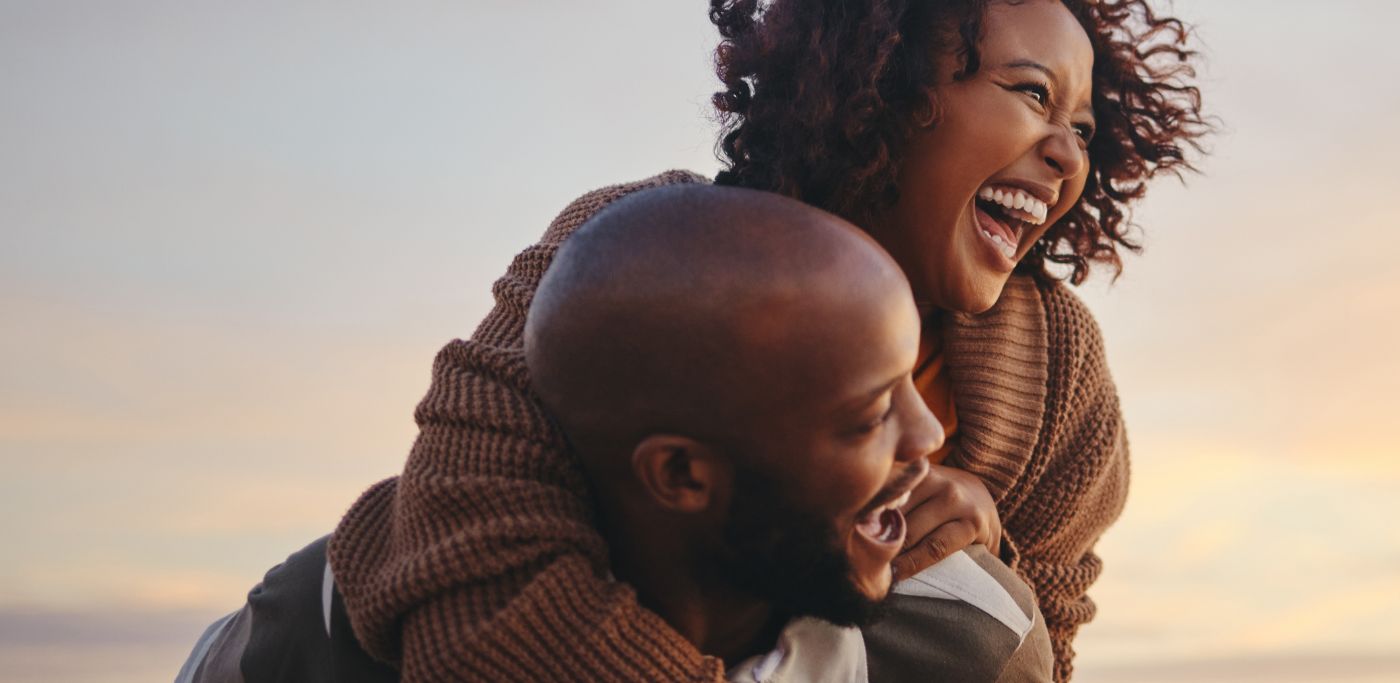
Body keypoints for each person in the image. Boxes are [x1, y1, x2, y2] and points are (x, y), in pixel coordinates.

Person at [327, 0, 1208, 681]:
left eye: (1084, 129)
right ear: (889, 85)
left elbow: (1040, 649)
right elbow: (473, 559)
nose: (1068, 156)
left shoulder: (1060, 371)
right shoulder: (638, 249)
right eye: (1031, 93)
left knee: (981, 609)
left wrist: (992, 548)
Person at [177, 185, 1054, 682]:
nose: (931, 435)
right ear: (679, 473)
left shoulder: (971, 641)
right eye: (868, 416)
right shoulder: (319, 630)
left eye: (911, 379)